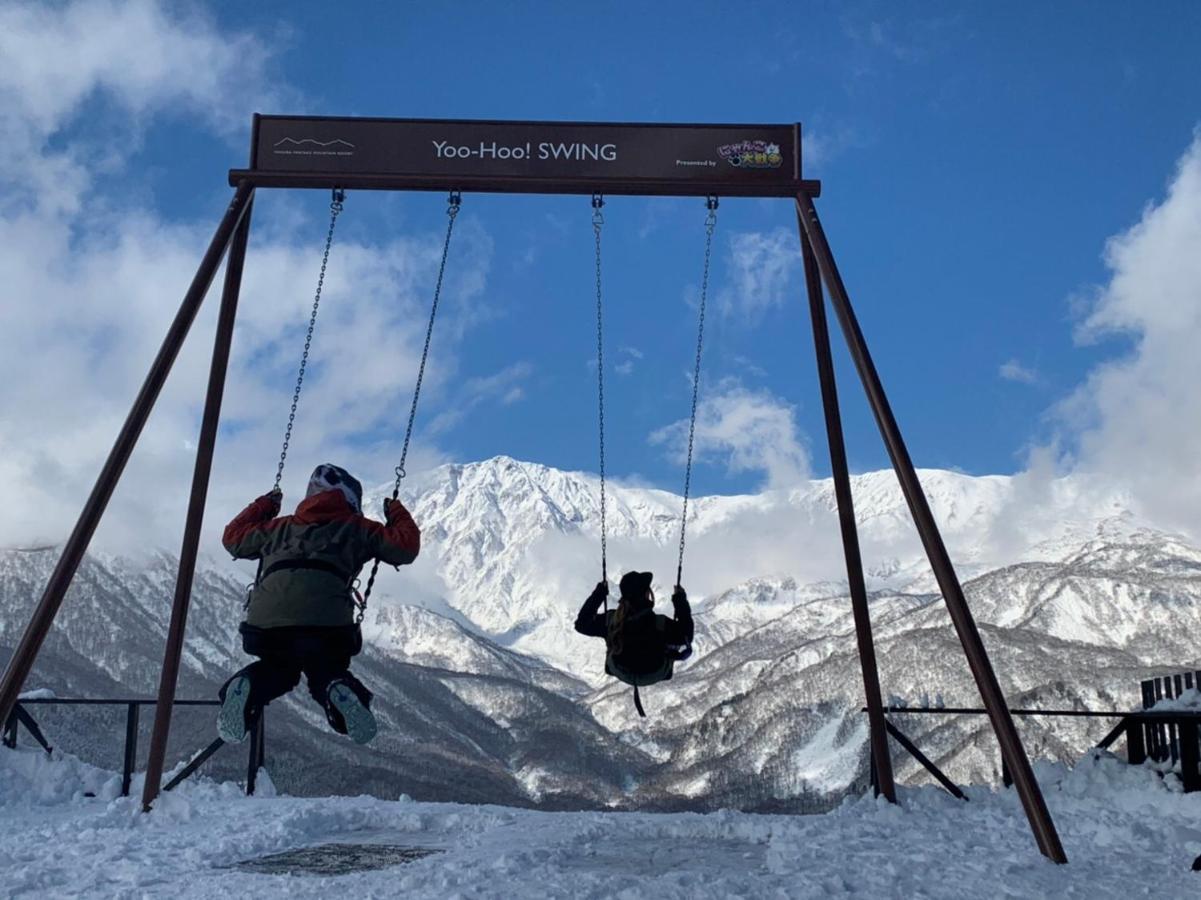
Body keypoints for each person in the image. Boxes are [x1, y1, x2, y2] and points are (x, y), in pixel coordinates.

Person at [216, 463, 420, 745]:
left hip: (266, 622)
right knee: (326, 669)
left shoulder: (280, 527)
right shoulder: (358, 528)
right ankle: (338, 690)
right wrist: (395, 511)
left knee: (279, 670)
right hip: (327, 623)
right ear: (350, 500)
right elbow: (405, 547)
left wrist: (265, 505)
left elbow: (232, 538)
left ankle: (246, 686)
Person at [574, 571, 693, 715]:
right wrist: (680, 600)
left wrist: (599, 594)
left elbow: (581, 624)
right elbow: (686, 636)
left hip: (620, 670)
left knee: (613, 643)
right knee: (670, 645)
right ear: (646, 594)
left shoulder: (612, 620)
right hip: (656, 672)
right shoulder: (660, 623)